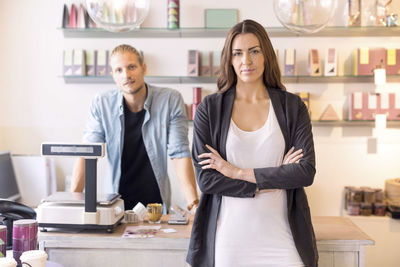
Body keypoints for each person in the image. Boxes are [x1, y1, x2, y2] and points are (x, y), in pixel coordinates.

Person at [186, 20, 317, 267]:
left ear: (266, 54)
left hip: (284, 239)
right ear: (230, 59)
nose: (247, 60)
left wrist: (236, 172)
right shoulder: (209, 109)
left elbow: (304, 172)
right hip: (229, 240)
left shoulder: (292, 107)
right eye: (238, 53)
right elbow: (207, 180)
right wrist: (268, 183)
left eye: (254, 51)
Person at [71, 44, 199, 212]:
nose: (126, 75)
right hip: (115, 206)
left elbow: (180, 152)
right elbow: (88, 152)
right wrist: (72, 201)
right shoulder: (101, 103)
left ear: (143, 68)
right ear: (113, 75)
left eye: (131, 67)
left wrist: (194, 204)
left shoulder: (170, 100)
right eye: (119, 70)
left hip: (156, 205)